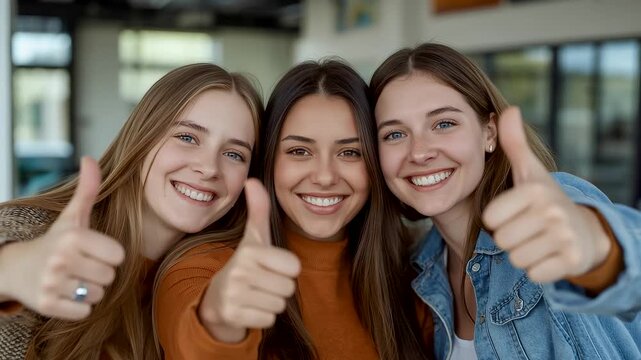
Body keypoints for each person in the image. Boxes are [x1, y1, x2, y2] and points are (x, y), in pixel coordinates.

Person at [370, 42, 641, 359]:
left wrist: (600, 252)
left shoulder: (549, 211)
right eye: (394, 134)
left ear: (489, 133)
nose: (419, 151)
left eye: (444, 124)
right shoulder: (420, 269)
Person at [154, 59, 434, 359]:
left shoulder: (416, 282)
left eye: (350, 152)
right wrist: (218, 319)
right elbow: (195, 345)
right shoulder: (199, 268)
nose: (325, 176)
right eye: (299, 151)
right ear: (269, 160)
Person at [0, 63, 263, 360]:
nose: (209, 168)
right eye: (187, 137)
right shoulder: (46, 232)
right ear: (144, 137)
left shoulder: (224, 273)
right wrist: (13, 269)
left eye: (234, 154)